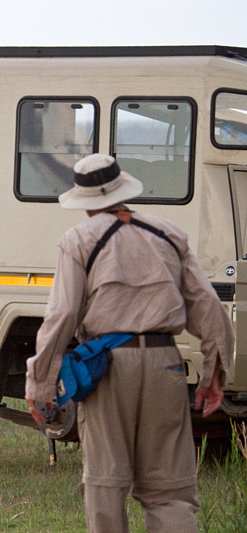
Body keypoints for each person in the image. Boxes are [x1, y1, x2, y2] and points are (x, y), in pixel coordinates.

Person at [25, 154, 234, 532]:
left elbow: (62, 315)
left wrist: (40, 383)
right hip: (165, 364)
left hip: (108, 368)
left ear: (83, 200)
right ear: (123, 190)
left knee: (106, 483)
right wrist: (212, 374)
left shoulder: (78, 240)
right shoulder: (169, 234)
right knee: (169, 489)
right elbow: (209, 307)